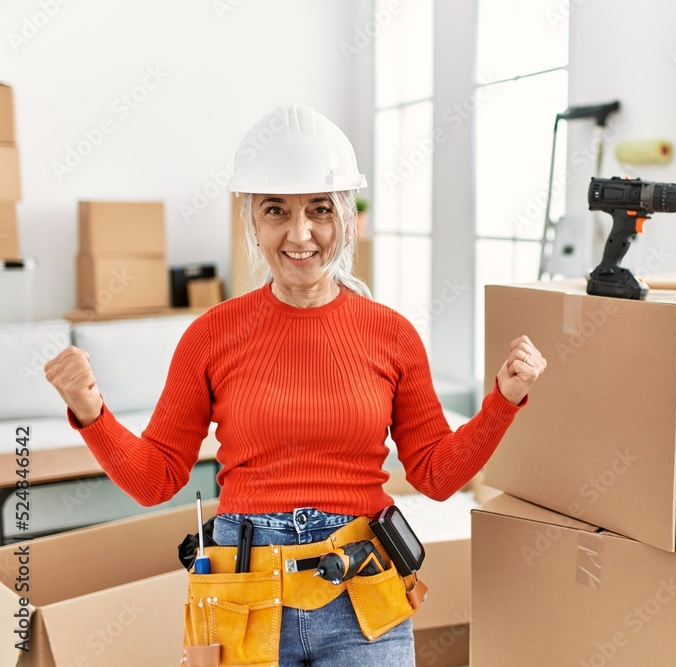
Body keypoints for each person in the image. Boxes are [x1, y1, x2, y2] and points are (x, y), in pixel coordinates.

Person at [44, 105, 546, 667]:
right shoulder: (210, 336)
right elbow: (156, 479)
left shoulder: (392, 335)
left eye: (320, 210)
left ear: (348, 219)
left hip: (362, 596)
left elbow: (435, 474)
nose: (299, 233)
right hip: (244, 596)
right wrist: (91, 412)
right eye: (276, 210)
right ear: (252, 222)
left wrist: (504, 401)